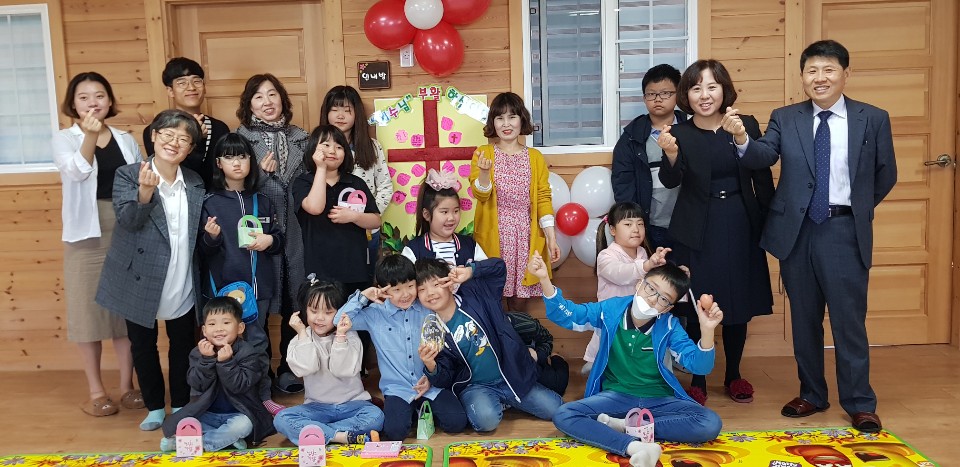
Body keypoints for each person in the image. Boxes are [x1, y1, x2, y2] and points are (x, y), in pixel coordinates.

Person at [723, 40, 897, 432]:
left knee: (848, 322)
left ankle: (859, 402)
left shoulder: (873, 118)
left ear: (845, 74)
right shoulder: (786, 118)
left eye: (828, 70)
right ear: (802, 76)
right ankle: (812, 393)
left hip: (844, 229)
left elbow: (886, 173)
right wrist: (741, 139)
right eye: (812, 71)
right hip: (797, 233)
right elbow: (763, 156)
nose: (820, 78)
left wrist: (856, 209)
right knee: (803, 319)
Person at [527, 253, 723, 467]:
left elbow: (699, 366)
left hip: (659, 400)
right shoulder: (611, 310)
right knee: (565, 415)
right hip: (615, 397)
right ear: (640, 284)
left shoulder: (669, 325)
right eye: (651, 288)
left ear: (667, 308)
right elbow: (570, 315)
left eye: (663, 299)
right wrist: (544, 280)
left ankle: (627, 426)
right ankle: (633, 446)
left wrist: (707, 330)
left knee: (710, 422)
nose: (653, 299)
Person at [656, 59, 775, 405]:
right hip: (697, 227)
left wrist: (769, 223)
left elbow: (761, 175)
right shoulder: (679, 133)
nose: (704, 95)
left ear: (724, 89)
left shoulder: (745, 123)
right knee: (699, 302)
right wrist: (671, 154)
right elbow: (670, 181)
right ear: (686, 95)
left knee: (737, 303)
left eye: (711, 87)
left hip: (740, 222)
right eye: (696, 88)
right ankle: (698, 378)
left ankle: (734, 374)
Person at [95, 109, 205, 431]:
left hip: (181, 273)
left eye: (183, 139)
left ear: (190, 148)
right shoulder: (129, 174)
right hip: (140, 276)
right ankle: (155, 406)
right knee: (143, 345)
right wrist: (144, 193)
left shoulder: (195, 181)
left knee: (182, 343)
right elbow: (128, 221)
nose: (174, 142)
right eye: (168, 134)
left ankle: (181, 403)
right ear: (154, 136)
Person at [53, 71, 144, 417]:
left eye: (99, 95)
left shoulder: (125, 139)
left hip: (125, 228)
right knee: (87, 311)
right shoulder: (65, 138)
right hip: (86, 232)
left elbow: (138, 182)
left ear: (109, 100)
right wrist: (89, 136)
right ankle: (96, 391)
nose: (93, 103)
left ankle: (127, 386)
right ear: (73, 104)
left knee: (125, 312)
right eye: (84, 97)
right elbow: (77, 171)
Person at [416, 257, 562, 432]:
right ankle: (497, 402)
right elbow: (446, 378)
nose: (430, 293)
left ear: (448, 283)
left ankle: (506, 400)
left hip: (511, 376)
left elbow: (499, 267)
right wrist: (431, 366)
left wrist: (470, 271)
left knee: (556, 409)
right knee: (486, 421)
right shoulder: (433, 330)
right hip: (476, 387)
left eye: (436, 284)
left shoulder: (477, 295)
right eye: (421, 289)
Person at [334, 254, 468, 441]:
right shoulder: (374, 314)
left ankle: (418, 412)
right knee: (395, 432)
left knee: (457, 422)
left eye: (410, 286)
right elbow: (338, 320)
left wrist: (432, 378)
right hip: (398, 389)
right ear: (383, 289)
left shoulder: (427, 309)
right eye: (396, 289)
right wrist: (364, 296)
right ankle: (412, 413)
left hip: (430, 384)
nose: (405, 294)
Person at [199, 133, 286, 415]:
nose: (236, 163)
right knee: (226, 345)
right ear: (219, 163)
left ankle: (263, 398)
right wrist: (211, 238)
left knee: (258, 344)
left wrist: (269, 241)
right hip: (226, 292)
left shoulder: (262, 200)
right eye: (229, 157)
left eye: (242, 156)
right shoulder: (209, 202)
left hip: (259, 290)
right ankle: (229, 402)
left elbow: (278, 239)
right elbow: (203, 251)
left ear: (251, 160)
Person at [236, 74, 309, 394]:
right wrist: (262, 177)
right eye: (258, 96)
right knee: (259, 301)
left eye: (272, 94)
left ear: (282, 99)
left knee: (296, 297)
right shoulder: (240, 140)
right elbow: (232, 185)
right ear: (249, 104)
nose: (267, 102)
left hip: (295, 230)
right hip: (256, 230)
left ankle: (290, 368)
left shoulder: (302, 138)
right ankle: (260, 371)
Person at [469, 92, 560, 313]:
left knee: (520, 300)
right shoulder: (483, 153)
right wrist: (484, 173)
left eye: (512, 117)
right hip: (494, 235)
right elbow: (481, 195)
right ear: (493, 122)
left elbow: (543, 197)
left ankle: (517, 335)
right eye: (500, 118)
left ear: (522, 120)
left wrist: (551, 238)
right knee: (492, 295)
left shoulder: (535, 157)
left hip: (526, 236)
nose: (506, 124)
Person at [273, 277, 384, 445]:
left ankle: (319, 434)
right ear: (305, 310)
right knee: (281, 419)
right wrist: (302, 333)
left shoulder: (350, 336)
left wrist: (340, 337)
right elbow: (306, 368)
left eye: (328, 312)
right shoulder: (300, 338)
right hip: (316, 408)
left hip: (353, 404)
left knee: (376, 417)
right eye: (314, 311)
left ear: (339, 313)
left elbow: (341, 370)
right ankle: (341, 436)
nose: (320, 318)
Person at [159, 297, 276, 452]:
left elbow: (240, 386)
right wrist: (206, 360)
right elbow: (197, 384)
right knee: (184, 422)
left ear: (240, 328)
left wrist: (227, 362)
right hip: (206, 412)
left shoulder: (248, 353)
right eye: (212, 324)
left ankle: (195, 444)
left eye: (226, 323)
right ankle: (226, 440)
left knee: (243, 426)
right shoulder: (198, 353)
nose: (219, 329)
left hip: (239, 413)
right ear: (204, 330)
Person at [292, 124, 381, 296]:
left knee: (355, 312)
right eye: (326, 145)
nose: (332, 151)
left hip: (354, 269)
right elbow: (315, 208)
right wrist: (321, 168)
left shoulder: (356, 183)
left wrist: (354, 216)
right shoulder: (303, 182)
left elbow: (376, 220)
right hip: (319, 271)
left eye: (339, 147)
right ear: (313, 149)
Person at [582, 202, 670, 374]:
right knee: (608, 358)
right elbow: (620, 273)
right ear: (612, 230)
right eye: (628, 224)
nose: (636, 229)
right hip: (613, 319)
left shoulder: (643, 254)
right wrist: (647, 265)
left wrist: (671, 272)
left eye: (640, 224)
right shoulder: (606, 256)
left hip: (637, 319)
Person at [611, 64, 688, 249]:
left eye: (665, 93)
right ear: (644, 98)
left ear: (678, 94)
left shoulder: (691, 129)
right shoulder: (631, 138)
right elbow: (623, 186)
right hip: (652, 225)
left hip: (689, 222)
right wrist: (635, 224)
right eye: (651, 94)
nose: (658, 99)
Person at [319, 85, 392, 276]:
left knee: (364, 278)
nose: (340, 115)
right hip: (330, 229)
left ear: (357, 113)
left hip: (366, 229)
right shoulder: (317, 148)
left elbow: (385, 186)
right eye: (334, 109)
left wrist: (369, 216)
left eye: (347, 110)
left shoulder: (372, 147)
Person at [143, 57, 229, 189]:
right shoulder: (156, 131)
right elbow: (172, 170)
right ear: (170, 91)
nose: (191, 87)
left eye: (197, 81)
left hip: (215, 199)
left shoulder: (220, 128)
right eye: (182, 83)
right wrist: (197, 139)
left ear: (204, 87)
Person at [401, 167, 488, 266]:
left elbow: (489, 271)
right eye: (444, 212)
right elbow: (404, 276)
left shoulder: (470, 245)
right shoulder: (414, 249)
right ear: (427, 215)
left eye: (456, 211)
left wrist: (470, 271)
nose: (451, 218)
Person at [504, 310, 569, 397]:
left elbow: (547, 339)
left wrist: (538, 355)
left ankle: (557, 358)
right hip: (505, 369)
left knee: (557, 388)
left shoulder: (525, 324)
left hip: (529, 360)